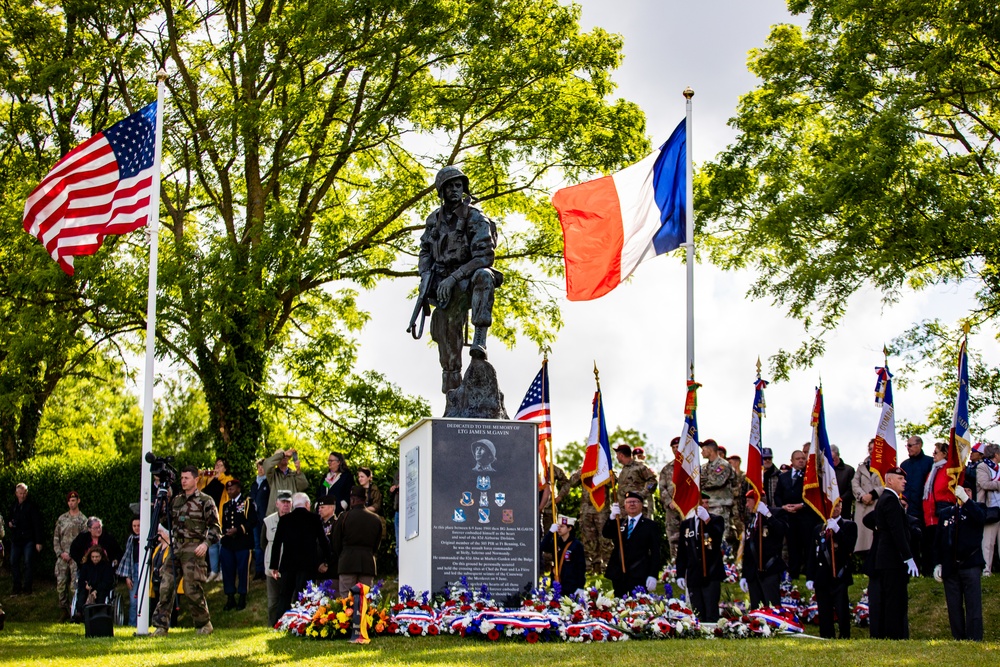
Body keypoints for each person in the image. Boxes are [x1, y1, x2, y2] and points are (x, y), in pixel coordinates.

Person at [415, 165, 503, 392]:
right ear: (441, 191)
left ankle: (479, 339)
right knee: (445, 337)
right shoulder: (433, 220)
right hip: (444, 286)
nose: (455, 190)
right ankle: (452, 388)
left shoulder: (475, 217)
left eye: (459, 185)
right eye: (450, 186)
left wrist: (454, 277)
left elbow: (484, 256)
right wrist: (425, 276)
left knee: (485, 277)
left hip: (468, 278)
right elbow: (425, 250)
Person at [152, 465, 221, 636]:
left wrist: (205, 544)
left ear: (196, 479)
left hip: (194, 548)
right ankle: (161, 626)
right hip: (176, 547)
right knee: (166, 585)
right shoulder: (176, 500)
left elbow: (215, 528)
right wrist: (162, 500)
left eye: (186, 478)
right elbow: (164, 518)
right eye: (181, 478)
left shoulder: (206, 501)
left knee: (192, 589)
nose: (183, 481)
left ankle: (204, 624)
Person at [873, 466, 919, 640]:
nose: (904, 482)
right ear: (889, 480)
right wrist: (908, 557)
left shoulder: (887, 499)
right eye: (900, 479)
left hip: (888, 558)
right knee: (894, 599)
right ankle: (894, 635)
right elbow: (897, 532)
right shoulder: (890, 500)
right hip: (892, 559)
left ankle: (892, 634)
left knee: (893, 598)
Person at [935, 484, 984, 640]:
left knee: (973, 605)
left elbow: (981, 518)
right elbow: (938, 542)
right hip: (950, 566)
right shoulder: (946, 513)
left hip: (970, 564)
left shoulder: (977, 508)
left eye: (968, 490)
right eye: (962, 490)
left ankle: (974, 638)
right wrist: (937, 563)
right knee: (954, 606)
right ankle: (958, 638)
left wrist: (967, 500)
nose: (965, 492)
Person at [270, 492, 330, 617]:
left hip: (288, 564)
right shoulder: (314, 519)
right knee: (303, 595)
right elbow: (323, 541)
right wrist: (328, 559)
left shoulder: (285, 519)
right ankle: (301, 621)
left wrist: (274, 566)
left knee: (285, 595)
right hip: (307, 564)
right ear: (307, 504)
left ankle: (280, 621)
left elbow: (276, 544)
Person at [805, 502, 857, 638]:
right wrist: (810, 576)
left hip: (839, 576)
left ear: (842, 507)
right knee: (824, 612)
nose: (836, 508)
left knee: (842, 611)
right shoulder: (818, 528)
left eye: (838, 505)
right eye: (833, 505)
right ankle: (826, 637)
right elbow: (812, 554)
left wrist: (838, 531)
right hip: (822, 577)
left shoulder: (849, 525)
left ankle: (845, 637)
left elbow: (849, 547)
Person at [676, 493, 725, 622]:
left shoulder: (716, 520)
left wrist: (707, 520)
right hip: (694, 574)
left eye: (706, 503)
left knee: (711, 611)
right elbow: (682, 552)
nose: (704, 506)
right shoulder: (686, 524)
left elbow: (717, 538)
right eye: (701, 503)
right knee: (698, 612)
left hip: (711, 573)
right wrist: (680, 574)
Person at [602, 491, 660, 598]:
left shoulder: (650, 526)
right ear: (624, 505)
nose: (631, 504)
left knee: (638, 608)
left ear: (641, 505)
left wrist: (653, 575)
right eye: (628, 502)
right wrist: (612, 517)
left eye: (635, 502)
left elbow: (656, 552)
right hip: (619, 573)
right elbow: (606, 533)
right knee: (620, 607)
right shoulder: (620, 523)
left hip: (639, 573)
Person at [557, 469, 612, 575]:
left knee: (605, 539)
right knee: (588, 539)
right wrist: (583, 471)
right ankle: (591, 566)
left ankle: (607, 567)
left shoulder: (605, 467)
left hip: (602, 510)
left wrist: (604, 472)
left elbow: (612, 482)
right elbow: (572, 483)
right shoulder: (585, 468)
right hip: (586, 510)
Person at [331, 486, 383, 597]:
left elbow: (335, 542)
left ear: (352, 500)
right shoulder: (375, 519)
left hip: (347, 562)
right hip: (367, 562)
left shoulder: (344, 517)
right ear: (365, 500)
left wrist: (343, 554)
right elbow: (376, 545)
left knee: (346, 601)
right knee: (364, 602)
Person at [740, 492, 787, 609]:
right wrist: (744, 575)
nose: (746, 505)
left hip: (769, 568)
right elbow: (748, 549)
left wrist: (768, 515)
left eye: (748, 501)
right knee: (756, 610)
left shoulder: (777, 513)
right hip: (753, 572)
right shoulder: (751, 520)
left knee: (772, 608)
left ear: (757, 501)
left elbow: (782, 531)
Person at [774, 449, 816, 579]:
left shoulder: (810, 476)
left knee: (807, 546)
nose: (801, 461)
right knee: (793, 546)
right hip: (789, 516)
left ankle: (810, 574)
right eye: (798, 459)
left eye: (803, 458)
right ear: (791, 461)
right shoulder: (783, 477)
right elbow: (778, 495)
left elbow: (813, 495)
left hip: (805, 516)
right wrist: (783, 507)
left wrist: (802, 505)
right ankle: (794, 573)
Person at [220, 478, 257, 611]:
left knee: (242, 570)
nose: (230, 491)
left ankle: (242, 596)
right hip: (228, 544)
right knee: (228, 570)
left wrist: (239, 530)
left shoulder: (247, 503)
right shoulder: (226, 505)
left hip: (242, 542)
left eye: (232, 489)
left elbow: (253, 520)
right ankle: (230, 597)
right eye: (228, 489)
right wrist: (226, 532)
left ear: (238, 489)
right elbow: (223, 523)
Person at [900, 435, 934, 574]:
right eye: (907, 445)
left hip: (925, 508)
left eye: (910, 445)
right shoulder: (904, 465)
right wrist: (903, 499)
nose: (908, 448)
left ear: (919, 445)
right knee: (911, 540)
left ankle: (928, 570)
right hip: (910, 508)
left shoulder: (929, 462)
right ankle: (913, 570)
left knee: (927, 541)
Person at [53, 491, 88, 621]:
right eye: (69, 501)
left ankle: (75, 612)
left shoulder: (83, 520)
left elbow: (85, 540)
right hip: (62, 557)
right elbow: (56, 538)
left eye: (73, 500)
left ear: (78, 501)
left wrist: (76, 555)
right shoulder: (62, 519)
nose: (71, 503)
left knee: (75, 586)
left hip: (75, 559)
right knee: (61, 585)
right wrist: (60, 553)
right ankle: (63, 611)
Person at [261, 490, 293, 626]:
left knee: (291, 598)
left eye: (288, 502)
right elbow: (263, 543)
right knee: (273, 600)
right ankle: (272, 625)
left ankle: (291, 624)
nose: (285, 505)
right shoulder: (268, 521)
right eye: (283, 502)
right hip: (272, 566)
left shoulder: (295, 519)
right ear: (277, 504)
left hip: (290, 567)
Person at [199, 458, 234, 582]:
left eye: (220, 465)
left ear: (225, 468)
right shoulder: (210, 479)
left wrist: (220, 476)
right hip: (210, 516)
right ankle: (214, 571)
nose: (217, 467)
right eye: (216, 465)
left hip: (222, 515)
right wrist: (203, 475)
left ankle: (223, 571)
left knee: (222, 545)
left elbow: (229, 486)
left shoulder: (228, 478)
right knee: (212, 544)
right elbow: (201, 489)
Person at [7, 483, 44, 595]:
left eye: (24, 493)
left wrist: (38, 542)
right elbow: (9, 519)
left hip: (28, 539)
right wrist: (10, 524)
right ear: (16, 493)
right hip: (17, 539)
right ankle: (16, 586)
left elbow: (37, 524)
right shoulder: (13, 506)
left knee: (28, 563)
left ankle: (27, 588)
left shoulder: (31, 506)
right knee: (13, 562)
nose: (22, 496)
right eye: (20, 493)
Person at [699, 440, 736, 551]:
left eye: (703, 450)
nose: (701, 453)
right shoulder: (704, 467)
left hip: (720, 506)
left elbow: (717, 481)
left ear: (710, 450)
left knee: (721, 536)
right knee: (708, 537)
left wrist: (703, 482)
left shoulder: (723, 465)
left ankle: (725, 563)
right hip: (707, 506)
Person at [921, 442, 950, 572]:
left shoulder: (949, 469)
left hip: (943, 510)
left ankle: (944, 566)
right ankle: (933, 567)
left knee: (943, 541)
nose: (933, 455)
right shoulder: (932, 471)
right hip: (930, 513)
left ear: (944, 454)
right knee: (932, 542)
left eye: (936, 452)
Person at [852, 439, 884, 557]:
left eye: (874, 449)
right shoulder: (861, 467)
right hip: (864, 505)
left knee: (876, 538)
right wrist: (862, 496)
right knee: (864, 539)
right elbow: (854, 483)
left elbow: (887, 484)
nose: (872, 451)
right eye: (870, 449)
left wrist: (873, 494)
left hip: (877, 503)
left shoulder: (886, 465)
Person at [541, 515, 586, 595]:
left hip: (571, 585)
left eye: (562, 526)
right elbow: (542, 547)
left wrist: (580, 586)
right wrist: (550, 532)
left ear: (569, 528)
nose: (559, 528)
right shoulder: (556, 543)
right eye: (558, 526)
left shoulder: (576, 545)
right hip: (557, 583)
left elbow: (581, 567)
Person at [975, 443, 1000, 574]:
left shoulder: (998, 468)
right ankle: (986, 570)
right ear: (996, 454)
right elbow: (984, 484)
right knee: (988, 542)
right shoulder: (982, 467)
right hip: (989, 508)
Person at [73, 545, 116, 621]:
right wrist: (86, 585)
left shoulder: (106, 566)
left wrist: (96, 591)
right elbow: (81, 580)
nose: (94, 559)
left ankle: (99, 614)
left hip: (101, 587)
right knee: (82, 592)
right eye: (93, 557)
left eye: (97, 557)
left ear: (101, 556)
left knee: (101, 594)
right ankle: (79, 613)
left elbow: (107, 582)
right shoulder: (86, 566)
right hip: (88, 587)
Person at [615, 444, 657, 518]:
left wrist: (642, 495)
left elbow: (652, 481)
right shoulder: (623, 470)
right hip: (624, 510)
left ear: (621, 455)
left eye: (617, 455)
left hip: (638, 509)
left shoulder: (640, 466)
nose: (616, 457)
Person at [263, 447, 309, 516]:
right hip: (275, 514)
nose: (284, 457)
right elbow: (267, 463)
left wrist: (299, 471)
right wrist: (283, 454)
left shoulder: (294, 474)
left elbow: (303, 486)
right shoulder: (272, 475)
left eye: (286, 456)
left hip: (291, 515)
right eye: (281, 456)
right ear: (276, 460)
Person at [658, 437, 683, 561]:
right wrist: (669, 501)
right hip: (672, 509)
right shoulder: (667, 469)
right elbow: (662, 488)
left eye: (678, 446)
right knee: (673, 537)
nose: (675, 449)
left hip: (688, 507)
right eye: (673, 447)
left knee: (690, 535)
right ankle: (675, 563)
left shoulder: (691, 467)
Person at [116, 516, 142, 626]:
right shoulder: (131, 539)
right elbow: (127, 558)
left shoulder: (148, 539)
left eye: (139, 526)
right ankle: (132, 624)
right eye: (134, 526)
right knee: (133, 601)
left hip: (144, 569)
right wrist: (127, 577)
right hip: (133, 570)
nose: (136, 528)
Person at [250, 459, 270, 580]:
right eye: (259, 467)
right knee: (257, 545)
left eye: (263, 467)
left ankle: (266, 569)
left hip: (265, 517)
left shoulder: (268, 483)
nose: (261, 469)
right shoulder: (254, 484)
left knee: (265, 544)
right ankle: (258, 570)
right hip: (255, 519)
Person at [830, 445, 856, 519]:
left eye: (833, 459)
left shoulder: (849, 470)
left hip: (844, 508)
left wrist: (840, 499)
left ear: (838, 456)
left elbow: (851, 490)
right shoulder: (825, 471)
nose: (831, 461)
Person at [317, 495, 339, 578]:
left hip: (332, 570)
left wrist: (326, 563)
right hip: (317, 570)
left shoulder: (337, 524)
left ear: (331, 508)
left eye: (322, 507)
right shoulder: (317, 524)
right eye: (319, 508)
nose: (319, 510)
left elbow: (337, 546)